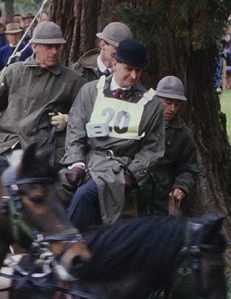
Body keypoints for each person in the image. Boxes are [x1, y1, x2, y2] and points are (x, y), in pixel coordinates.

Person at [62, 37, 165, 227]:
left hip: (117, 168)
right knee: (46, 189)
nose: (134, 76)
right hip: (87, 161)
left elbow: (153, 149)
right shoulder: (91, 91)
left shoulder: (150, 105)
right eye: (129, 69)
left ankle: (66, 250)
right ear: (115, 63)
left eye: (138, 70)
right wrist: (76, 162)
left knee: (85, 195)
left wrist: (132, 174)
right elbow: (75, 130)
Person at [0, 20, 84, 162]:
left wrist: (68, 120)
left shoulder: (72, 80)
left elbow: (87, 114)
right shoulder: (13, 71)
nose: (55, 51)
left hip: (40, 152)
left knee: (10, 180)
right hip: (3, 147)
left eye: (58, 46)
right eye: (49, 46)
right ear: (34, 46)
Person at [143, 76, 199, 217]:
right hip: (136, 193)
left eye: (177, 104)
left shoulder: (183, 134)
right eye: (168, 102)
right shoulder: (140, 123)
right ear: (156, 99)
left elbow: (189, 168)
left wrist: (181, 186)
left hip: (163, 197)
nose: (172, 109)